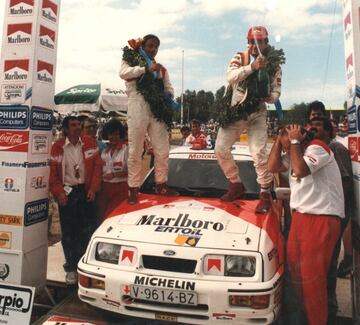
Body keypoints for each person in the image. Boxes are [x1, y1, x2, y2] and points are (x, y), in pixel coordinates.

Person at [268, 119, 344, 325]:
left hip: (321, 217)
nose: (283, 136)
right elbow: (272, 166)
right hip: (301, 217)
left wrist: (293, 142)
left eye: (285, 133)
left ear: (297, 135)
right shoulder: (294, 153)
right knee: (298, 278)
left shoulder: (317, 147)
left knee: (313, 280)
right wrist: (278, 143)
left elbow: (301, 170)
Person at [215, 26, 284, 213]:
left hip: (258, 113)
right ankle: (236, 184)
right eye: (252, 41)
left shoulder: (275, 63)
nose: (255, 45)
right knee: (220, 149)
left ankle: (265, 194)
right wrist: (252, 67)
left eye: (259, 41)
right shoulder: (240, 57)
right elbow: (230, 77)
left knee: (258, 153)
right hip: (236, 112)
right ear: (248, 43)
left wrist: (273, 97)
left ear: (266, 43)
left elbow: (277, 88)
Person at [120, 34, 178, 204]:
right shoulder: (131, 59)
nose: (153, 49)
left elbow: (169, 87)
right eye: (150, 46)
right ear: (143, 46)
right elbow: (123, 73)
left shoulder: (161, 68)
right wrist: (145, 69)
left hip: (157, 108)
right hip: (137, 104)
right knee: (136, 150)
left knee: (162, 150)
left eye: (156, 47)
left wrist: (168, 96)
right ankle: (133, 189)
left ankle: (161, 185)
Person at [49, 116, 102, 285]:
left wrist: (93, 189)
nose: (77, 127)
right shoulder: (57, 147)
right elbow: (53, 175)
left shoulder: (90, 142)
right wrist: (59, 194)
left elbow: (97, 169)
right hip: (68, 193)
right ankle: (71, 269)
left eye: (79, 124)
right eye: (73, 125)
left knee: (87, 231)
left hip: (85, 192)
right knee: (69, 234)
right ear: (65, 129)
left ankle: (85, 269)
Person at [98, 118, 129, 221]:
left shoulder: (126, 149)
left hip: (120, 188)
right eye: (111, 134)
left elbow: (132, 171)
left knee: (112, 217)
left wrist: (115, 175)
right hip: (105, 188)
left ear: (121, 134)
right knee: (102, 216)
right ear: (107, 135)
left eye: (116, 134)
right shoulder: (105, 152)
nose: (113, 137)